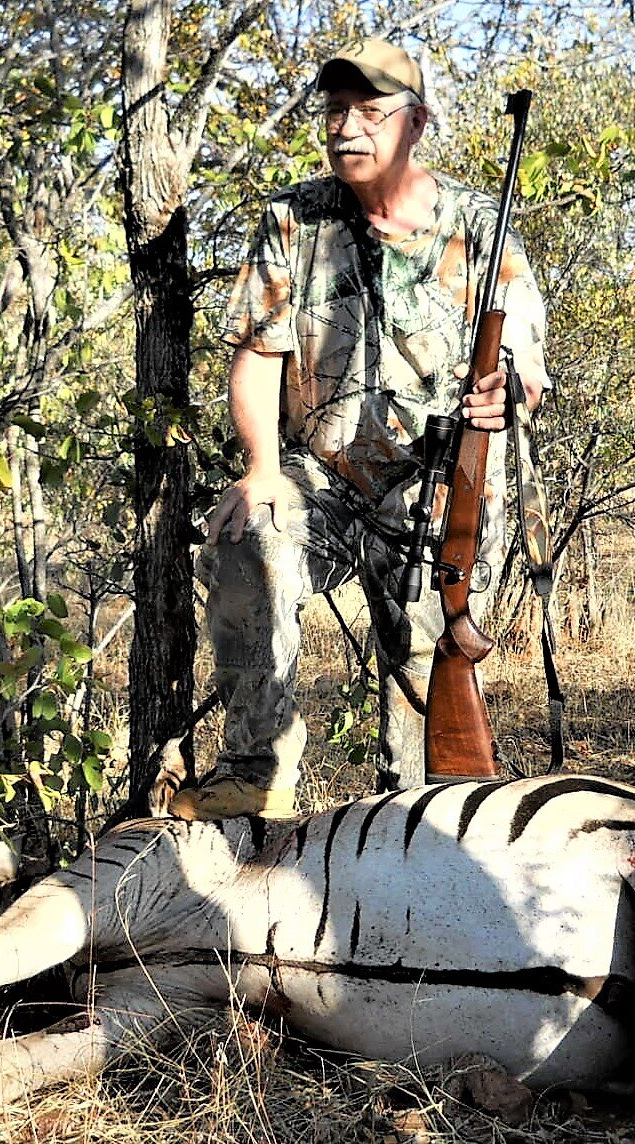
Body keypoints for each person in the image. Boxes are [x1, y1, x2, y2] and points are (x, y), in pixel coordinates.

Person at [171, 37, 549, 821]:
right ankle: (257, 772)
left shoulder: (481, 226)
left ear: (416, 124)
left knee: (422, 678)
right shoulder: (292, 218)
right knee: (248, 535)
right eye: (335, 111)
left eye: (369, 112)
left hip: (442, 492)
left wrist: (503, 396)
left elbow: (525, 373)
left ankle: (418, 825)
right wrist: (261, 469)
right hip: (325, 478)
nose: (347, 128)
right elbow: (256, 355)